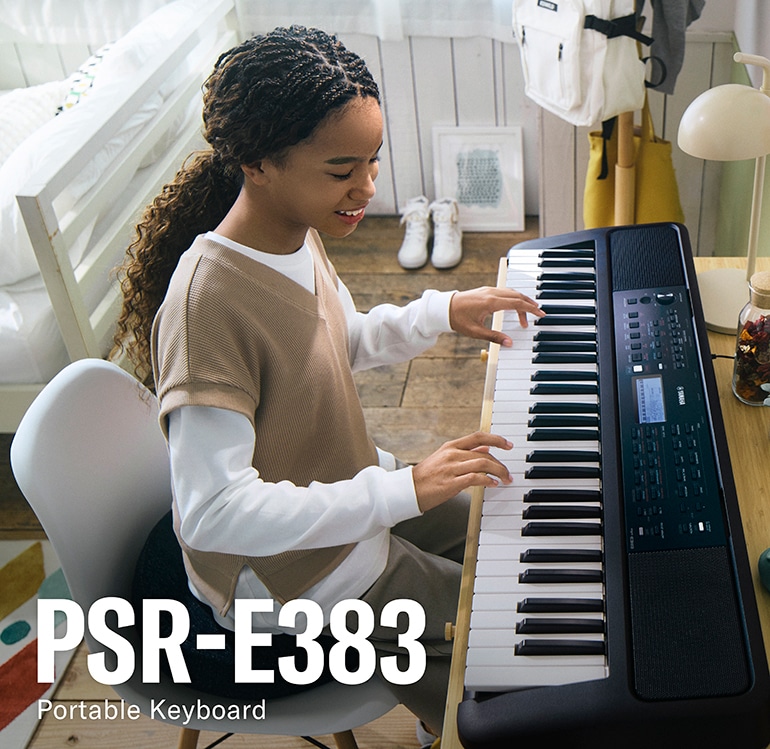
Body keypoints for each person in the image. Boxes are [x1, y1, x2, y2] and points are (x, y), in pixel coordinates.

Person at [113, 25, 543, 741]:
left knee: (515, 525)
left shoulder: (295, 227)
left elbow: (336, 340)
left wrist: (442, 311)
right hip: (288, 577)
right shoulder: (205, 306)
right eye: (343, 168)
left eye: (374, 162)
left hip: (342, 497)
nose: (367, 188)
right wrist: (401, 492)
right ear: (258, 162)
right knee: (505, 636)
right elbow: (215, 512)